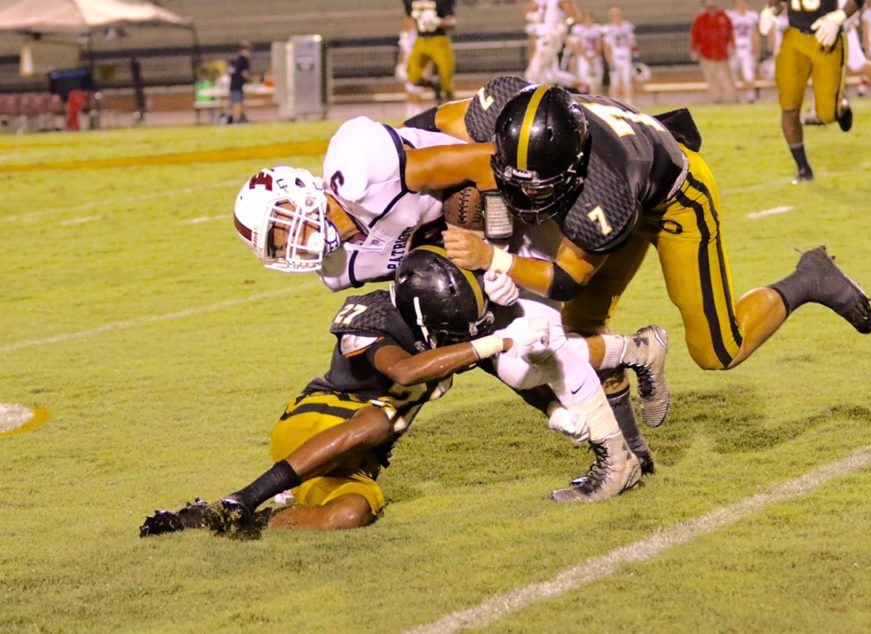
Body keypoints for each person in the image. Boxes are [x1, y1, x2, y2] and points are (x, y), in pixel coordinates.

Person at [231, 118, 671, 498]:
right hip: (469, 256)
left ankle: (618, 459)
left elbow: (487, 163)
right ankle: (634, 352)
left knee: (548, 343)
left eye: (285, 220)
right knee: (522, 366)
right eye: (277, 242)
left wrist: (494, 249)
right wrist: (473, 300)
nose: (294, 239)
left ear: (298, 186)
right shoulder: (337, 269)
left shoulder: (361, 167)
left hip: (516, 209)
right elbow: (434, 288)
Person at [411, 79, 871, 417]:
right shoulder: (505, 111)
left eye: (541, 186)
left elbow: (569, 279)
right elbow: (427, 126)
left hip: (674, 197)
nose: (527, 196)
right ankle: (631, 446)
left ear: (571, 168)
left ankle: (809, 278)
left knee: (717, 350)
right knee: (579, 333)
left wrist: (495, 257)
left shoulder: (603, 190)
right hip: (628, 168)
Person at [139, 248, 641, 539]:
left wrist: (553, 409)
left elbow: (494, 367)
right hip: (315, 422)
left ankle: (239, 522)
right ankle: (242, 496)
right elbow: (402, 370)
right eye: (454, 328)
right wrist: (495, 339)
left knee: (351, 514)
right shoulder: (373, 314)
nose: (462, 335)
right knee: (378, 419)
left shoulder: (453, 335)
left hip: (359, 458)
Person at [760, 0, 862, 183]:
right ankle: (803, 168)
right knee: (789, 107)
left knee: (827, 114)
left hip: (825, 36)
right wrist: (770, 11)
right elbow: (778, 3)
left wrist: (841, 15)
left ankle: (841, 107)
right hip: (794, 38)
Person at [403, 0, 457, 116]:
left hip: (439, 40)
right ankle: (434, 85)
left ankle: (453, 108)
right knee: (412, 76)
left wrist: (438, 22)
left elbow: (452, 22)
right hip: (421, 40)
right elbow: (408, 16)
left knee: (446, 78)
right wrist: (406, 34)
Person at [525, 0, 582, 85]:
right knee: (550, 74)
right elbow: (527, 13)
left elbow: (575, 16)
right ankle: (580, 85)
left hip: (549, 37)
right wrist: (535, 16)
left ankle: (529, 96)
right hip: (541, 37)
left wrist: (564, 24)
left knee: (533, 73)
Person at [691, 0, 738, 103]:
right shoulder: (701, 17)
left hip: (722, 53)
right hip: (707, 54)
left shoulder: (723, 15)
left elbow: (730, 32)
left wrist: (732, 45)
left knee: (726, 78)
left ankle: (731, 100)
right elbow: (695, 34)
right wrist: (694, 49)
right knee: (712, 79)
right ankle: (717, 100)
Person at [601, 7, 638, 105]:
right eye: (614, 15)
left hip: (626, 56)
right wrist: (609, 59)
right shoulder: (608, 28)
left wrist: (635, 53)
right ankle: (613, 104)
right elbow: (606, 45)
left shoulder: (626, 26)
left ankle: (629, 103)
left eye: (618, 15)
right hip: (615, 57)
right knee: (615, 82)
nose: (616, 17)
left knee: (627, 81)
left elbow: (632, 42)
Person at [728, 0, 762, 103]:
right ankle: (733, 97)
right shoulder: (731, 15)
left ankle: (750, 96)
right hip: (734, 48)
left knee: (748, 74)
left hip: (747, 48)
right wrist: (728, 47)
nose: (741, 4)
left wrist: (757, 49)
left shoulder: (752, 16)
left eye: (743, 2)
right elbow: (727, 33)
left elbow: (755, 34)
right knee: (732, 74)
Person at [228, 41, 253, 125]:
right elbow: (244, 73)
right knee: (238, 102)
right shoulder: (243, 59)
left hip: (233, 83)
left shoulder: (235, 58)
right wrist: (252, 80)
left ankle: (238, 117)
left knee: (236, 101)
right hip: (238, 84)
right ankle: (238, 119)